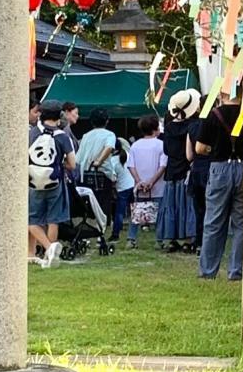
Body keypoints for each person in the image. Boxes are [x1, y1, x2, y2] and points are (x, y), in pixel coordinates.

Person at [195, 92, 243, 280]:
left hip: (219, 168)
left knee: (214, 222)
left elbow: (199, 148)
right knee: (241, 223)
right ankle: (236, 270)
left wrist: (214, 148)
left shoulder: (213, 114)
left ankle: (208, 270)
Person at [28, 103, 75, 268]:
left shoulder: (32, 133)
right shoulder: (62, 136)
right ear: (59, 115)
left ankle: (43, 250)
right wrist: (60, 166)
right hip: (55, 182)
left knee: (31, 220)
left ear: (41, 114)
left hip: (32, 182)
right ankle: (50, 251)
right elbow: (73, 164)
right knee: (53, 220)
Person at [158, 88, 200, 252]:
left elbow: (167, 150)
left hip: (171, 170)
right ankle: (188, 238)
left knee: (171, 204)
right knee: (186, 205)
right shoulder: (192, 126)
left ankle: (171, 238)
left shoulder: (168, 127)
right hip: (186, 170)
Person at [74, 110, 122, 252]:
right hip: (101, 174)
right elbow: (109, 147)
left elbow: (78, 158)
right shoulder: (109, 135)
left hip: (84, 175)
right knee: (102, 206)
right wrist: (99, 161)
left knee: (87, 207)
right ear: (107, 121)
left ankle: (85, 236)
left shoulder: (86, 136)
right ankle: (100, 236)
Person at [127, 115, 166, 248]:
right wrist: (152, 182)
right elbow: (163, 166)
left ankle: (131, 239)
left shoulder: (135, 146)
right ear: (155, 128)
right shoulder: (161, 145)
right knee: (160, 213)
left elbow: (131, 165)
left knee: (137, 212)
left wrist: (139, 181)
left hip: (139, 186)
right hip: (158, 186)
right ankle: (159, 240)